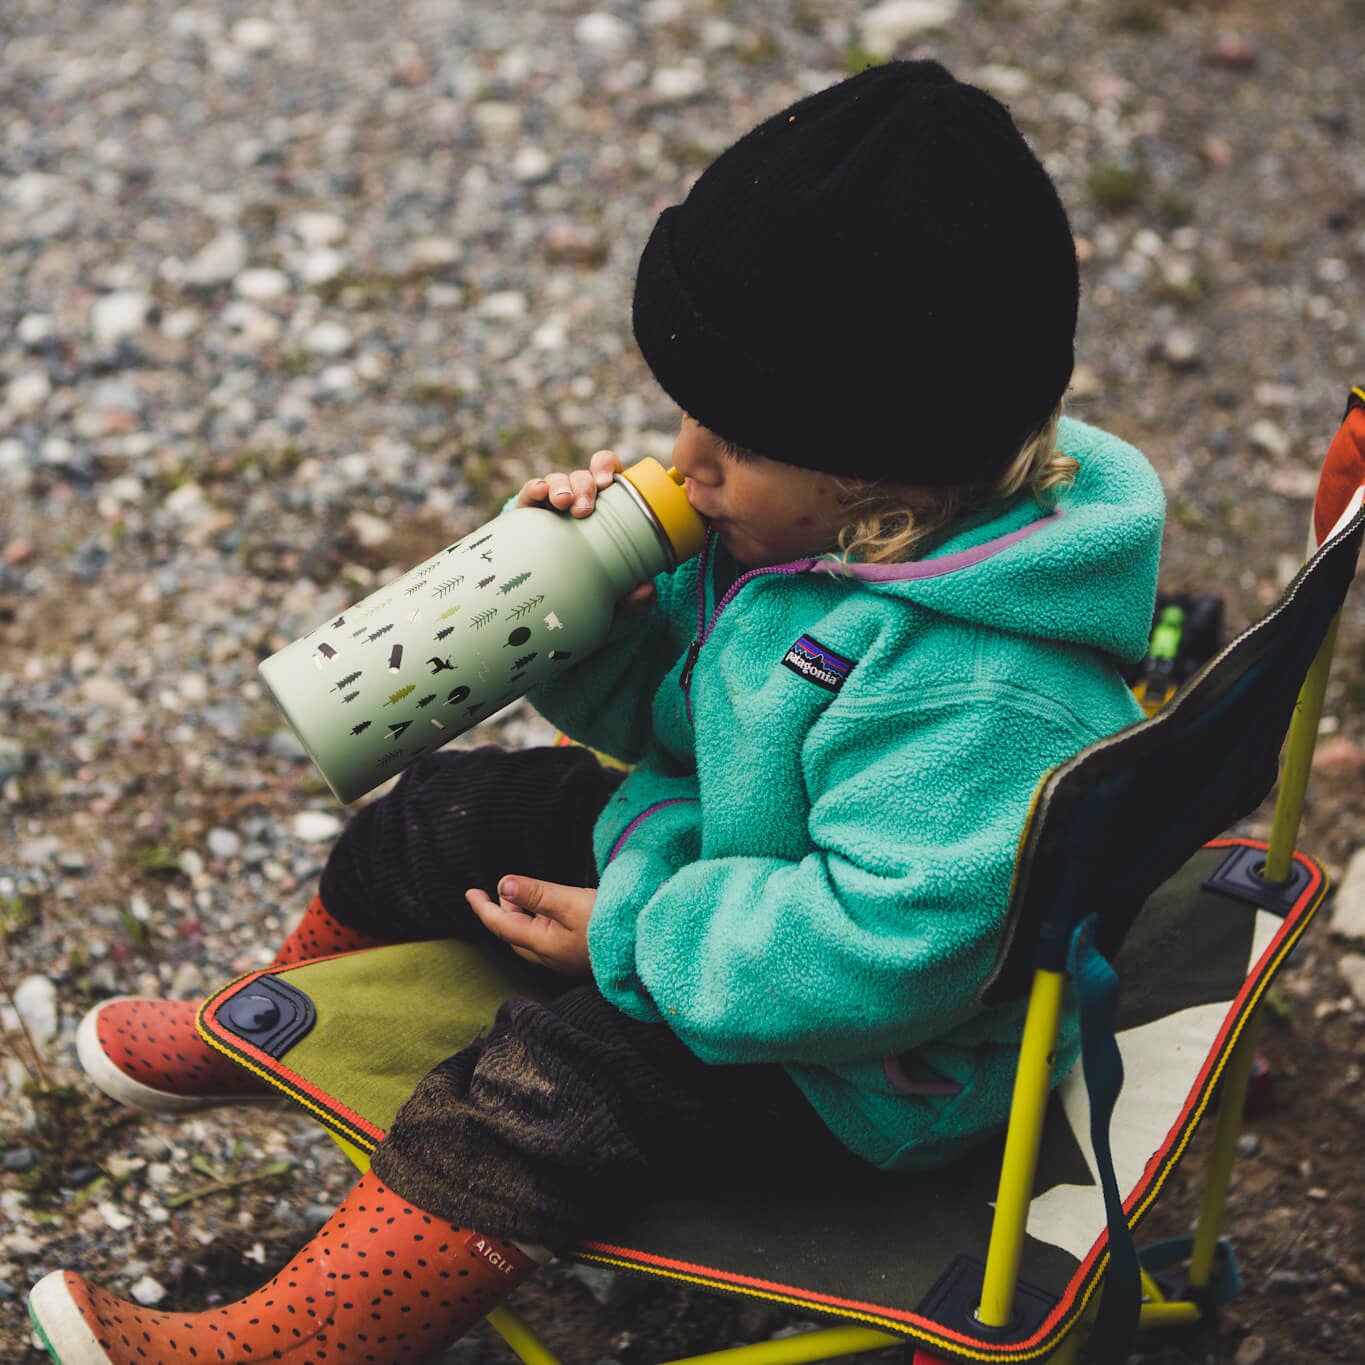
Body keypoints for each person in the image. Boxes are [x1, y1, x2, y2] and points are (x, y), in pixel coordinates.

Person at [29, 59, 1165, 1363]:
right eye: (688, 418)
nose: (683, 459)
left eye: (727, 442)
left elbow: (885, 956)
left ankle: (294, 1344)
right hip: (737, 862)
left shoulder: (976, 691)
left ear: (873, 472)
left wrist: (634, 930)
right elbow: (689, 717)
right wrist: (593, 613)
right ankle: (277, 1027)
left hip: (865, 1061)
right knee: (449, 809)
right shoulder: (835, 542)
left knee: (555, 1081)